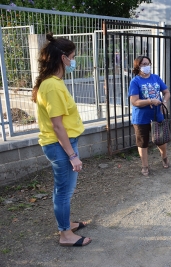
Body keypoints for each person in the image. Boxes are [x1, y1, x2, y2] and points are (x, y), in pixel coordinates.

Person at [31, 33, 91, 247]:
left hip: (60, 145)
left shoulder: (51, 83)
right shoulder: (53, 86)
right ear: (63, 58)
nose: (74, 61)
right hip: (60, 146)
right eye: (73, 56)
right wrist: (72, 155)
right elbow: (57, 126)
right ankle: (65, 235)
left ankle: (66, 224)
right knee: (63, 192)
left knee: (63, 190)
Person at [128, 55, 171, 176]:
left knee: (161, 139)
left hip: (157, 114)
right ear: (138, 67)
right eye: (143, 64)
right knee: (143, 142)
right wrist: (150, 101)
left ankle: (164, 157)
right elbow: (134, 101)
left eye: (148, 64)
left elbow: (166, 92)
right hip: (141, 117)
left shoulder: (156, 78)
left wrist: (165, 101)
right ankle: (145, 165)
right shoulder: (135, 81)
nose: (146, 66)